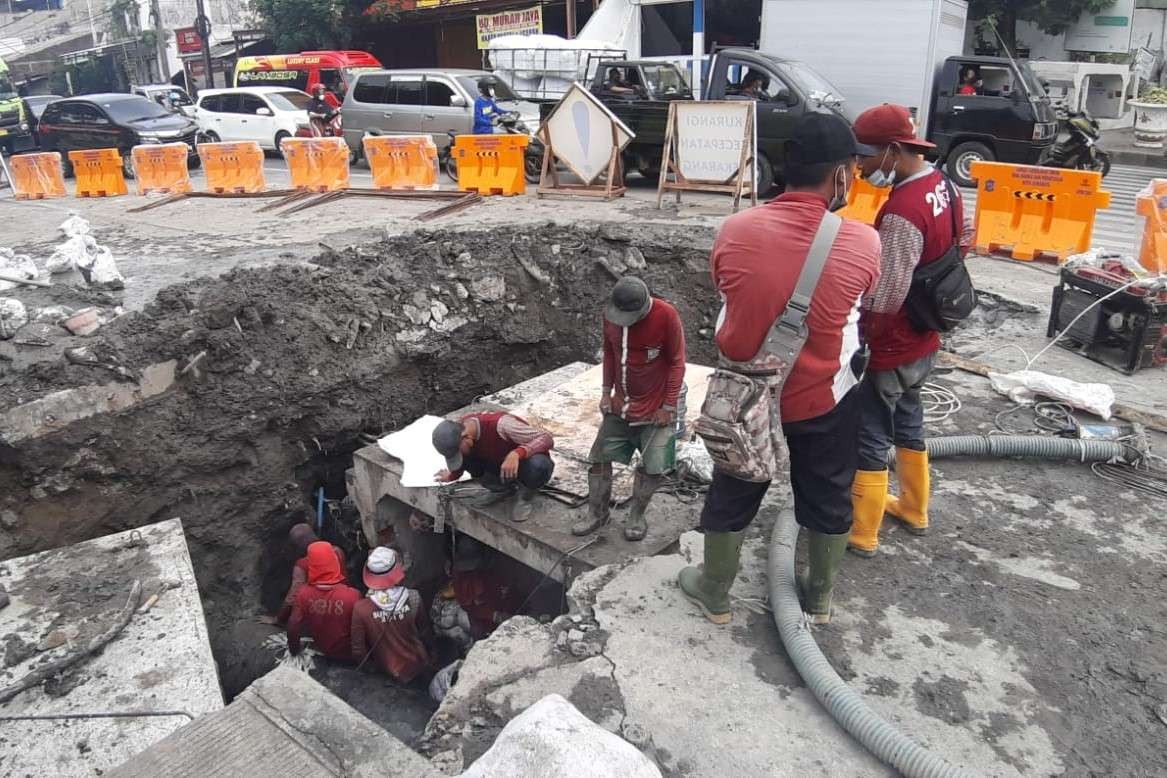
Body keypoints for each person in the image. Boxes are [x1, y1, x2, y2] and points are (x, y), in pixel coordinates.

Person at [677, 112, 882, 625]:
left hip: (747, 398)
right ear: (840, 175)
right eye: (852, 169)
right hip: (822, 398)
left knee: (735, 484)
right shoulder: (864, 242)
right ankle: (819, 597)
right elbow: (864, 300)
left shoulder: (734, 229)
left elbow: (729, 292)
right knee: (828, 488)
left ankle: (716, 592)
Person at [847, 103, 965, 558]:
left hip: (895, 341)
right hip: (926, 333)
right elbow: (963, 240)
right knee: (910, 420)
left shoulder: (902, 211)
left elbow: (887, 294)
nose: (860, 166)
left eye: (867, 156)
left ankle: (862, 531)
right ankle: (915, 509)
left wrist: (863, 339)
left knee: (872, 429)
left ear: (894, 150)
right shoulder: (944, 185)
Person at [575, 276, 686, 541]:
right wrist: (605, 392)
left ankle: (637, 514)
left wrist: (669, 405)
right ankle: (597, 512)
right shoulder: (611, 316)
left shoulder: (666, 316)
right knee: (599, 458)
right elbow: (610, 354)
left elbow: (678, 362)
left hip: (656, 410)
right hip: (620, 406)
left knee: (653, 466)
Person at [432, 412, 555, 522]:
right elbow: (462, 460)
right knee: (468, 457)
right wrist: (451, 475)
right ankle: (501, 489)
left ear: (467, 437)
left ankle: (525, 497)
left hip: (523, 464)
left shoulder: (502, 425)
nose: (460, 455)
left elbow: (546, 438)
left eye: (458, 452)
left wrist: (517, 454)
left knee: (539, 465)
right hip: (499, 463)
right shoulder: (459, 429)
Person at [350, 546, 431, 683]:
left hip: (386, 672)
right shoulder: (413, 597)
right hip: (418, 665)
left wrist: (372, 669)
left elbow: (358, 650)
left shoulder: (361, 609)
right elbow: (425, 633)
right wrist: (432, 656)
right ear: (396, 571)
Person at [287, 540, 362, 659]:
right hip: (348, 655)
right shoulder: (353, 595)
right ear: (334, 562)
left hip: (321, 650)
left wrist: (294, 650)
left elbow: (293, 626)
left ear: (311, 565)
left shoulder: (303, 594)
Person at [262, 523, 346, 626]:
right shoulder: (337, 551)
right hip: (342, 605)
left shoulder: (302, 564)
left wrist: (279, 618)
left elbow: (293, 595)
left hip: (319, 610)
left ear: (298, 545)